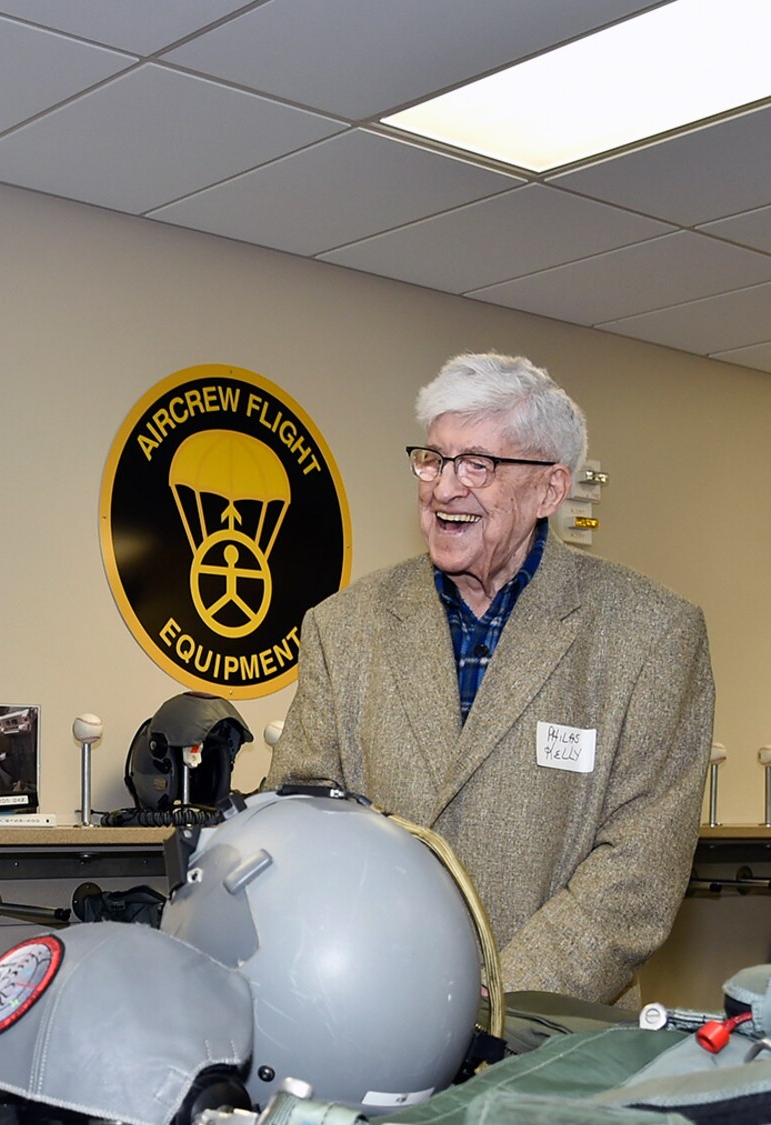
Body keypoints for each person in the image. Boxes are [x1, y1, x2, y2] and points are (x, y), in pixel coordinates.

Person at [267, 352, 713, 1006]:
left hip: (551, 1038)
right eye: (435, 459)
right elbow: (298, 823)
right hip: (368, 1014)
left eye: (477, 463)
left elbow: (636, 876)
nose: (445, 487)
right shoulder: (345, 626)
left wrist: (490, 998)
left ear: (549, 490)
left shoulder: (651, 634)